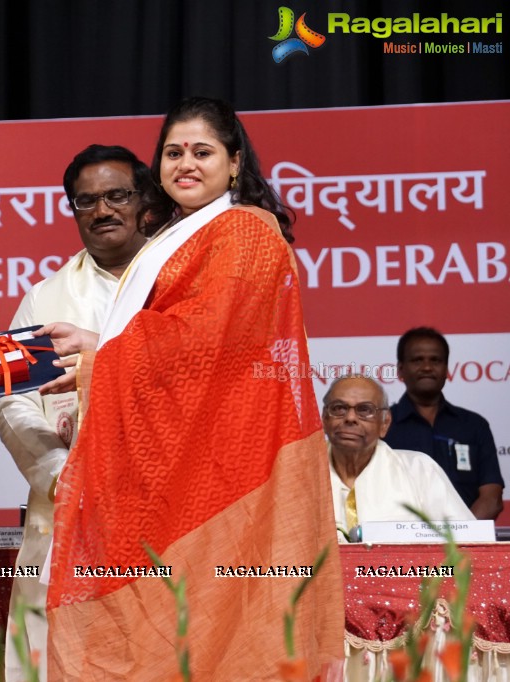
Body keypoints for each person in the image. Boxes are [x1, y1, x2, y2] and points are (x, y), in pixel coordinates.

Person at [38, 97, 343, 680]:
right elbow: (178, 339)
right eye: (173, 152)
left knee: (206, 642)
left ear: (234, 163)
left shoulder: (246, 232)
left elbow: (205, 346)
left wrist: (101, 361)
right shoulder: (181, 235)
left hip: (219, 481)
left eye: (202, 152)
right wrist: (96, 343)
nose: (185, 164)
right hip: (172, 475)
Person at [0, 144, 151, 681]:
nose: (103, 210)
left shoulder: (178, 285)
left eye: (117, 195)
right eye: (86, 201)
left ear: (144, 201)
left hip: (167, 513)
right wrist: (61, 476)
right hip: (69, 515)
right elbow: (13, 403)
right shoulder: (45, 300)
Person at [324, 375, 473, 541]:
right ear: (324, 418)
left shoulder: (420, 470)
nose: (350, 418)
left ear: (385, 423)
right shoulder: (297, 473)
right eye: (338, 408)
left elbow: (469, 543)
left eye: (365, 410)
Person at [383, 327, 504, 520]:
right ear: (400, 370)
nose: (427, 367)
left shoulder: (474, 425)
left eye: (435, 360)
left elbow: (492, 499)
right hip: (401, 544)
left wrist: (459, 541)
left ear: (447, 370)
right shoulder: (382, 426)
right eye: (417, 360)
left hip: (465, 547)